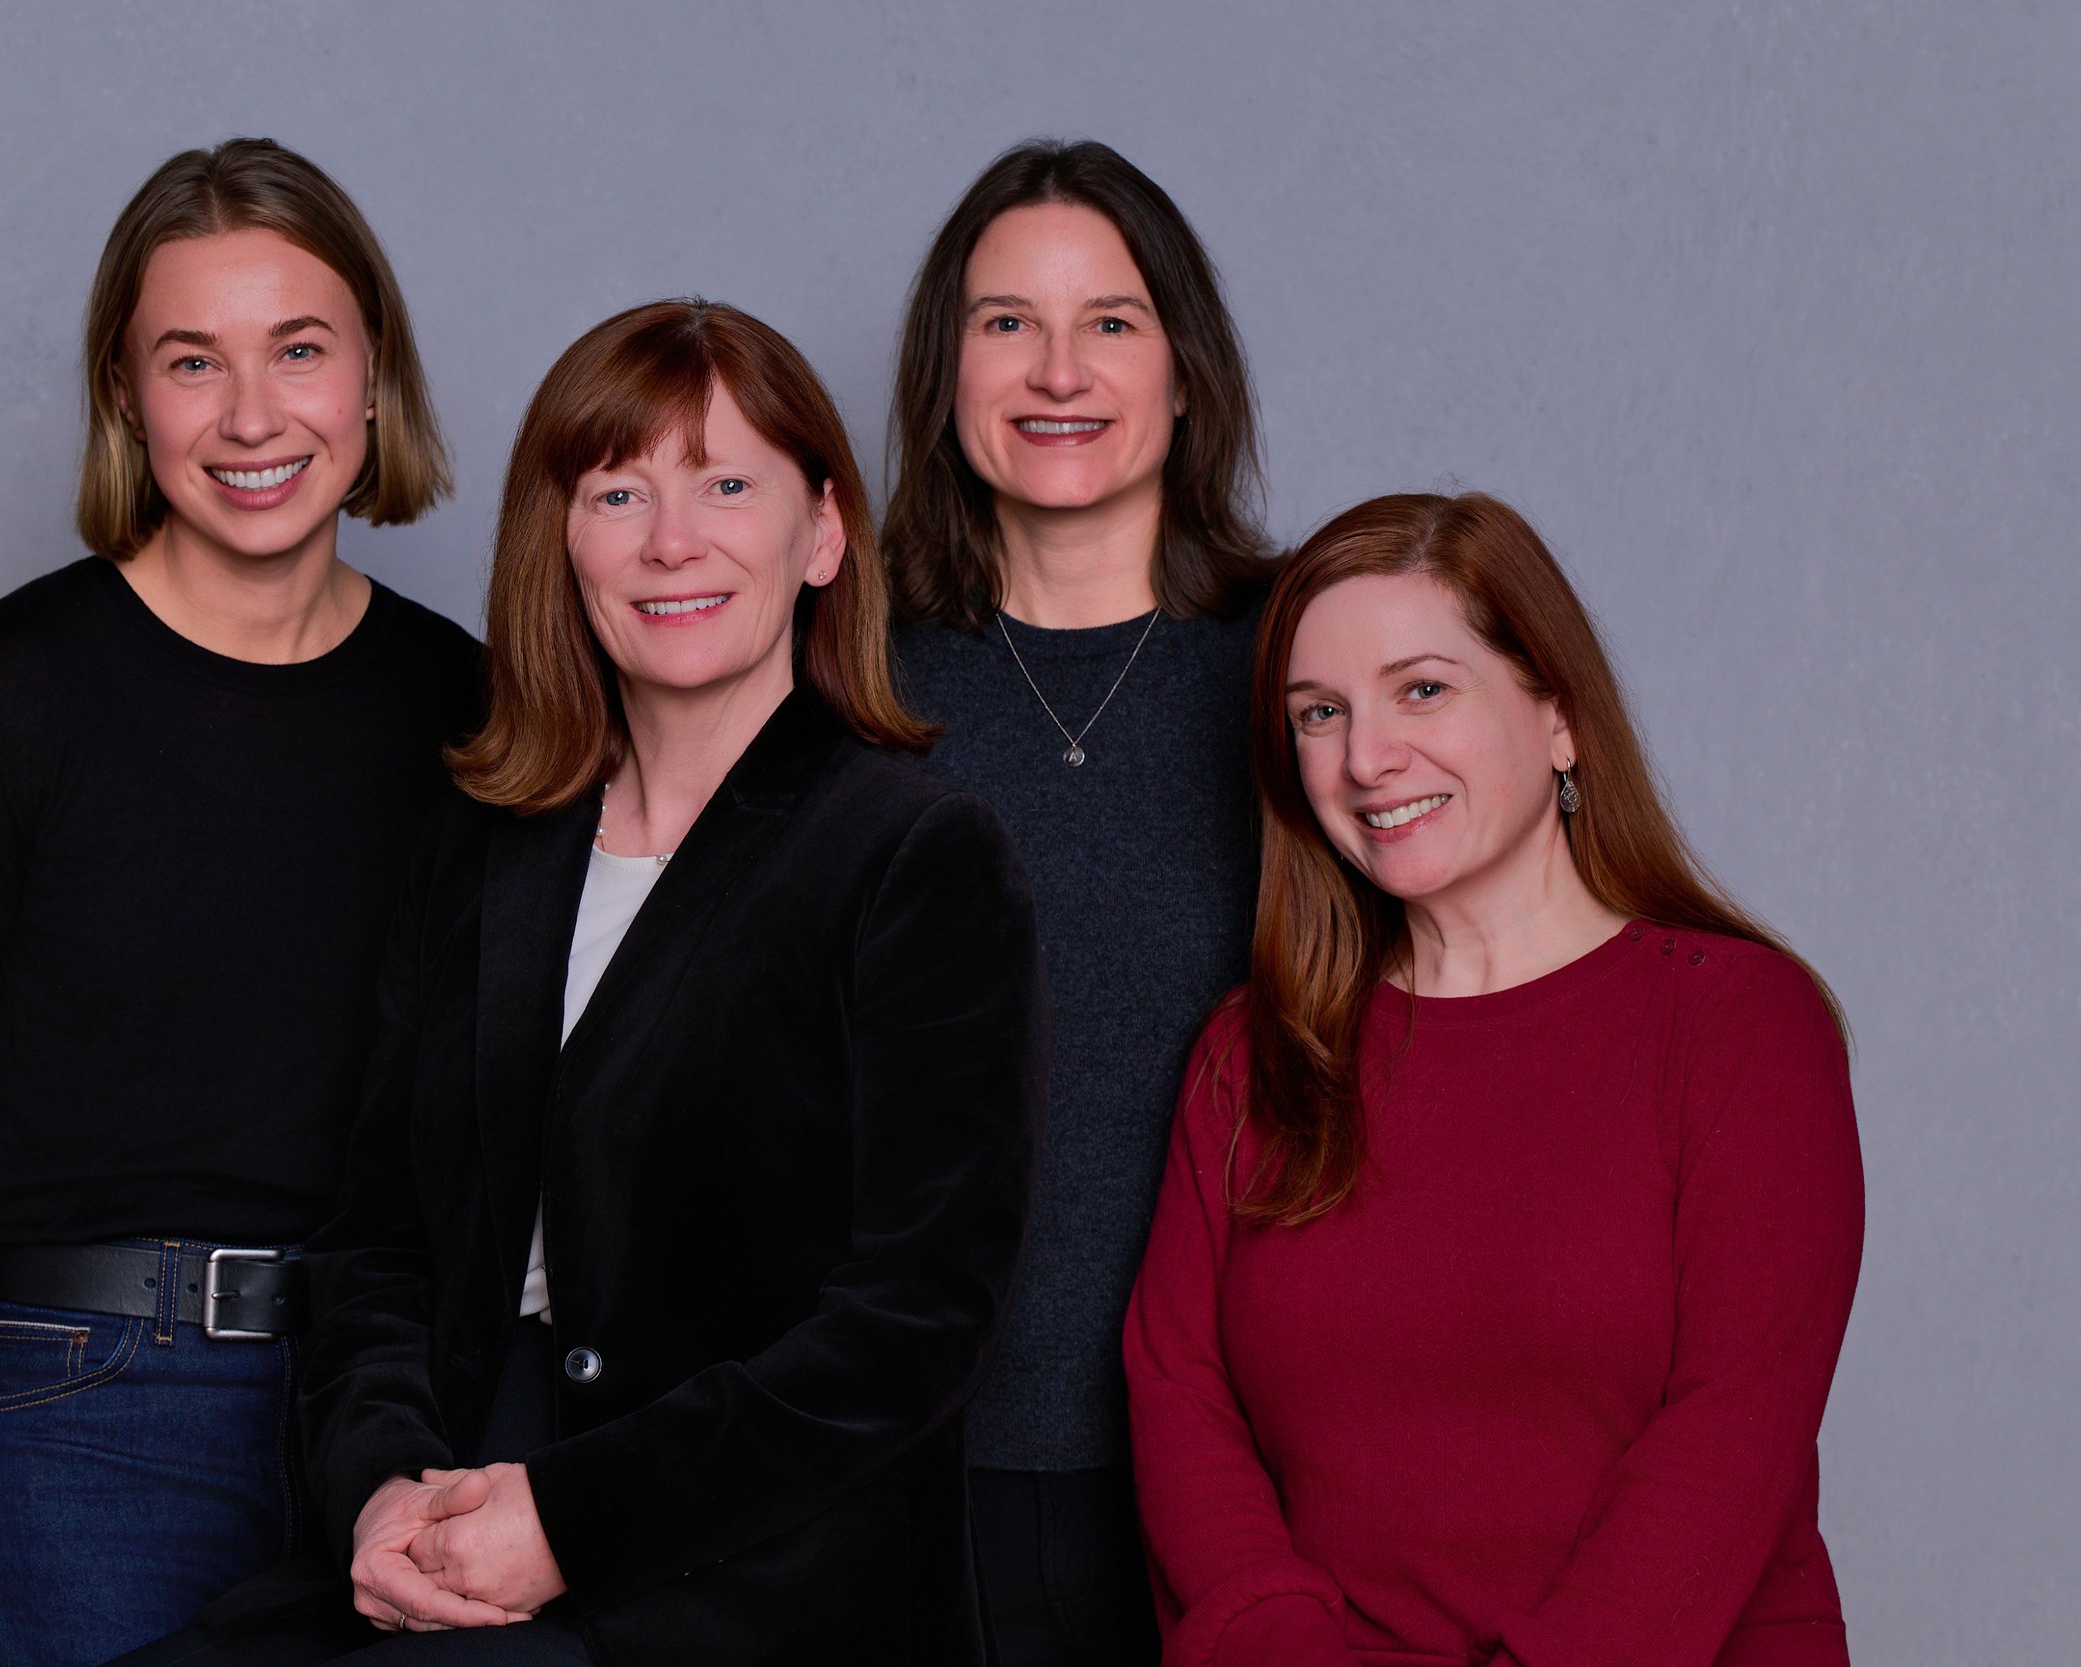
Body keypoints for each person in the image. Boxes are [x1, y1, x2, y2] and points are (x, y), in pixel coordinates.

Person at [117, 298, 1047, 1667]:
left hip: (749, 1555)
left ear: (823, 534)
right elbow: (380, 1246)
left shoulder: (914, 856)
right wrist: (380, 1487)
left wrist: (568, 1519)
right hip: (456, 1482)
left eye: (726, 484)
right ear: (561, 539)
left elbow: (917, 1318)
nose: (671, 540)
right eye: (618, 492)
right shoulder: (485, 847)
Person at [0, 137, 479, 1667]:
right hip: (71, 1425)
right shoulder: (5, 704)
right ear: (127, 399)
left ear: (374, 376)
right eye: (193, 360)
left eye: (298, 349)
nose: (252, 414)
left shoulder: (471, 711)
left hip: (390, 1425)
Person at [1125, 491, 1864, 1666]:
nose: (1367, 757)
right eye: (1319, 712)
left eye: (1422, 688)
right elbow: (1179, 1393)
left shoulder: (1739, 1024)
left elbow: (1731, 1432)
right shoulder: (1252, 1051)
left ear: (1558, 714)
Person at [882, 137, 1280, 1665]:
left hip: (1243, 1460)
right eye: (1008, 322)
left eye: (1111, 320)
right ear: (946, 370)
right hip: (906, 1464)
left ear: (1185, 371)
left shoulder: (1304, 669)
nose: (1060, 371)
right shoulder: (843, 676)